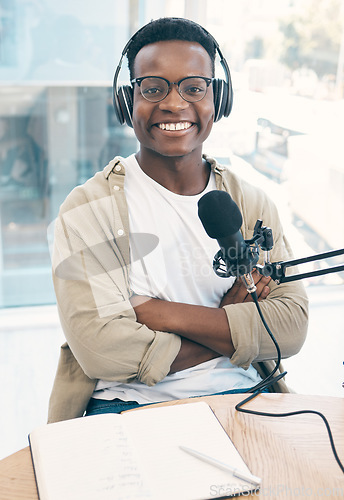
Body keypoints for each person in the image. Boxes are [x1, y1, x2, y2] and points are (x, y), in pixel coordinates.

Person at [48, 17, 308, 423]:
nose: (173, 103)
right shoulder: (86, 211)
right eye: (152, 88)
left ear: (217, 99)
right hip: (124, 406)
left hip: (243, 395)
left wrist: (159, 313)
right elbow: (101, 349)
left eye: (194, 87)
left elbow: (290, 328)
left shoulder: (251, 202)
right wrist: (232, 326)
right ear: (125, 100)